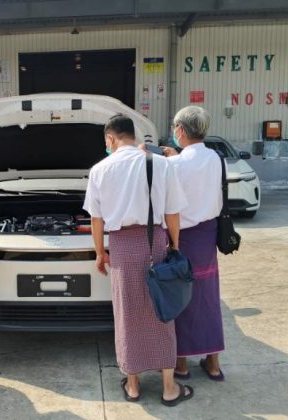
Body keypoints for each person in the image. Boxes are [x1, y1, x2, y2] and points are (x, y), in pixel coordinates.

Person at [84, 114, 193, 407]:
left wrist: (99, 253)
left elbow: (96, 219)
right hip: (154, 241)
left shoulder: (100, 169)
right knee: (162, 310)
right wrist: (174, 246)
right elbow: (172, 212)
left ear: (110, 139)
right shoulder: (160, 164)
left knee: (127, 314)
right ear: (133, 136)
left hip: (121, 247)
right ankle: (169, 387)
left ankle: (133, 385)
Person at [161, 106, 226, 381]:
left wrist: (171, 159)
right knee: (208, 297)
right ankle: (213, 363)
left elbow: (169, 204)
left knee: (180, 297)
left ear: (180, 130)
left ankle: (181, 365)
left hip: (182, 237)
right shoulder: (216, 158)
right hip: (208, 235)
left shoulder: (172, 165)